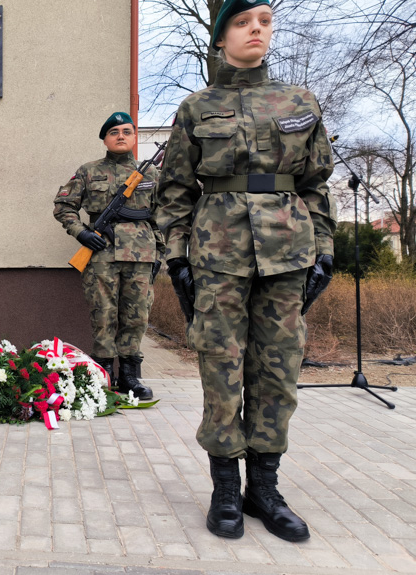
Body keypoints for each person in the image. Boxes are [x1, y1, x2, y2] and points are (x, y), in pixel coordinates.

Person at [155, 0, 336, 542]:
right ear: (221, 36)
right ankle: (225, 490)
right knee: (221, 367)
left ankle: (264, 488)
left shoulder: (300, 101)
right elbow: (174, 191)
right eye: (242, 22)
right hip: (218, 252)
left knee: (278, 369)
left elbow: (316, 182)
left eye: (264, 22)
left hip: (288, 249)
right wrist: (174, 256)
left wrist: (324, 246)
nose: (256, 30)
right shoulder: (196, 107)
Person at [54, 112, 165, 400]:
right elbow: (64, 206)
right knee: (103, 315)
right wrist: (81, 233)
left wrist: (159, 255)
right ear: (105, 138)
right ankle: (101, 375)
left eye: (127, 131)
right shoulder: (88, 171)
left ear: (134, 137)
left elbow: (164, 217)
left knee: (137, 316)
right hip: (101, 254)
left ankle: (130, 377)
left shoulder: (151, 174)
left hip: (141, 256)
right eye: (114, 131)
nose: (120, 136)